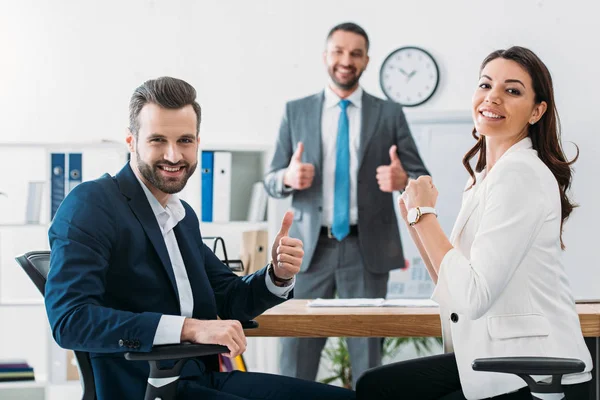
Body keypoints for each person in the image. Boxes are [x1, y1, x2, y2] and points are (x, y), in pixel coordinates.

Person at [44, 77, 356, 400]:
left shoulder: (181, 216)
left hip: (201, 379)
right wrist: (189, 328)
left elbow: (231, 298)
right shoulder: (91, 205)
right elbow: (70, 320)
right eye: (157, 141)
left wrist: (278, 274)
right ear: (131, 141)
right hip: (143, 389)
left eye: (184, 141)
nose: (173, 155)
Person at [356, 46, 593, 399]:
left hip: (534, 373)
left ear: (536, 111)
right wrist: (414, 216)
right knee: (376, 386)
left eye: (512, 91)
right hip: (496, 360)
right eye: (485, 85)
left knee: (379, 390)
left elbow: (473, 297)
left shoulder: (520, 174)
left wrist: (425, 215)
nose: (492, 97)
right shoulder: (484, 176)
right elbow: (449, 283)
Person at [264, 22, 429, 387]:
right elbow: (270, 180)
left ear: (367, 61)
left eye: (356, 53)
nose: (346, 60)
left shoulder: (389, 113)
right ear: (325, 56)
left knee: (367, 359)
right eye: (338, 51)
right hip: (308, 251)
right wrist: (287, 178)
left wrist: (403, 182)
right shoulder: (296, 111)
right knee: (295, 356)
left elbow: (421, 178)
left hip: (366, 250)